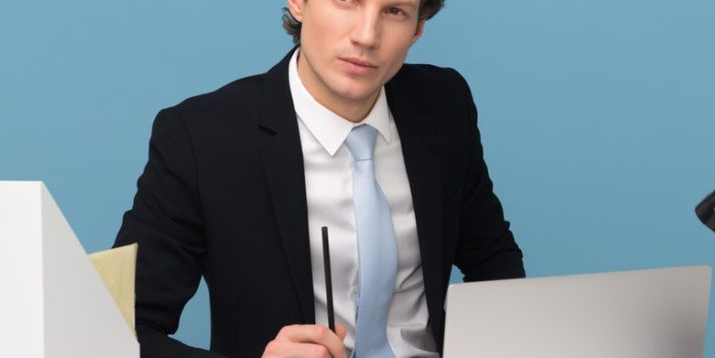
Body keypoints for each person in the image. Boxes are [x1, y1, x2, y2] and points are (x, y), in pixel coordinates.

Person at [112, 0, 526, 357]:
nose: (367, 36)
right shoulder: (200, 139)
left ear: (418, 27)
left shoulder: (444, 105)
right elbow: (122, 328)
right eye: (347, 1)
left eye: (395, 10)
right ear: (299, 3)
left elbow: (493, 260)